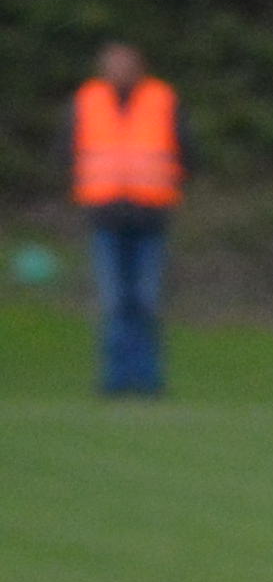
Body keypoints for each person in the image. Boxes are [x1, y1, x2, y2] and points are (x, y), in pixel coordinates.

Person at [68, 45, 175, 403]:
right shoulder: (88, 101)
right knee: (114, 301)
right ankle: (114, 379)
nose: (120, 71)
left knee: (145, 300)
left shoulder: (162, 100)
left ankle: (148, 379)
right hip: (105, 216)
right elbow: (68, 150)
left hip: (151, 216)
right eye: (113, 65)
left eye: (126, 65)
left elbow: (184, 151)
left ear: (140, 67)